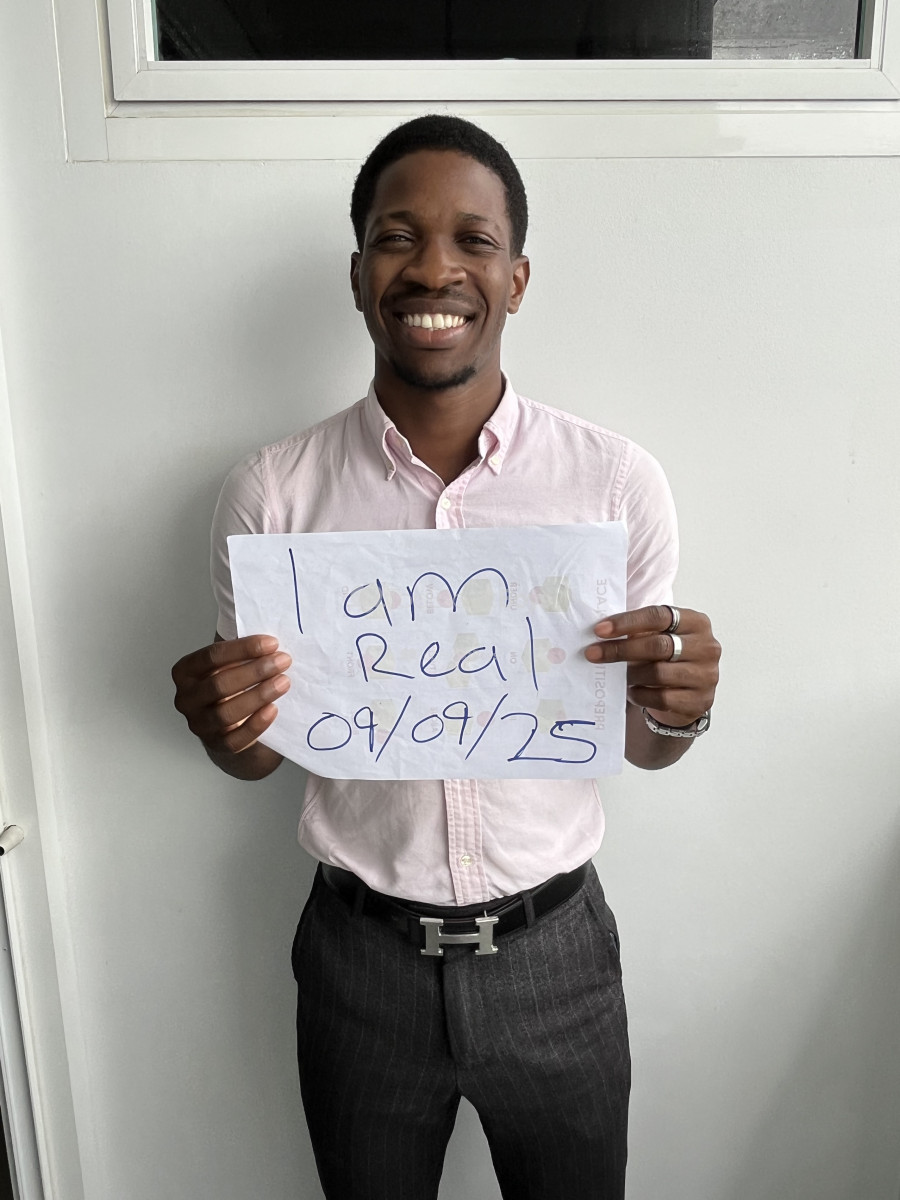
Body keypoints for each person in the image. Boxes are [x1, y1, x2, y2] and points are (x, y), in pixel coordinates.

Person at [171, 115, 720, 1200]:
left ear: (516, 279)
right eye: (396, 237)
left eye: (474, 240)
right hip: (358, 962)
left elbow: (646, 746)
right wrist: (223, 726)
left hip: (556, 953)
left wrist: (680, 706)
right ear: (358, 275)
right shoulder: (271, 493)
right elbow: (259, 757)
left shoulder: (615, 485)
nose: (433, 269)